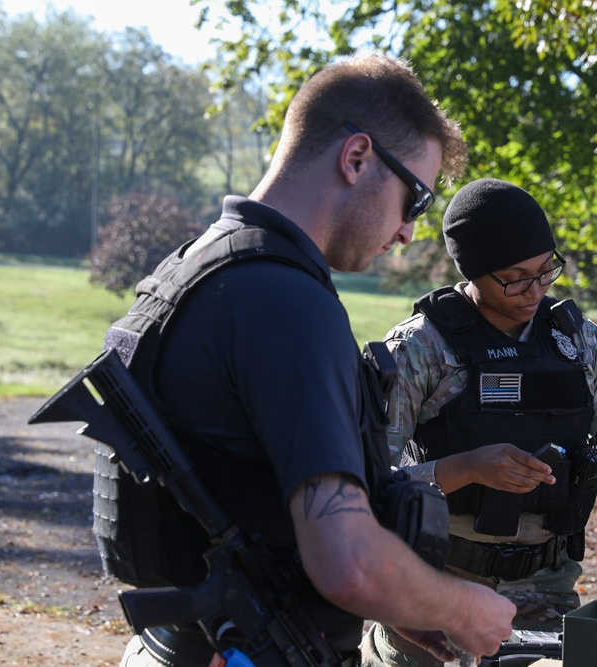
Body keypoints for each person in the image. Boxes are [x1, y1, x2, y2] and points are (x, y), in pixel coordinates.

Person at [94, 54, 515, 667]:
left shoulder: (194, 267)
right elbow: (346, 561)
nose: (407, 233)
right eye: (414, 199)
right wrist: (463, 609)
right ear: (357, 158)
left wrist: (403, 604)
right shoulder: (286, 301)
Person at [362, 178, 597, 667]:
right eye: (515, 278)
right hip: (434, 592)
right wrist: (466, 468)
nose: (536, 290)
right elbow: (367, 486)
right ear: (473, 271)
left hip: (546, 595)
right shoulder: (419, 350)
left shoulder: (582, 346)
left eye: (547, 271)